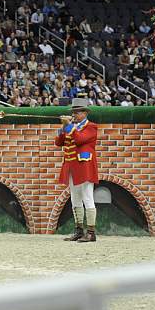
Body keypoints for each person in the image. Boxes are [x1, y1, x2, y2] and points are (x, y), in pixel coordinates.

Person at [54, 97, 99, 242]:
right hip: (72, 167)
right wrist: (63, 128)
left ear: (85, 113)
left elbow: (79, 140)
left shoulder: (91, 127)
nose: (75, 114)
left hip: (84, 166)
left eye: (78, 112)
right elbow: (58, 142)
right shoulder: (71, 126)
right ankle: (79, 230)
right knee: (75, 199)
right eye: (74, 112)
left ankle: (91, 232)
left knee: (87, 197)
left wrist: (68, 126)